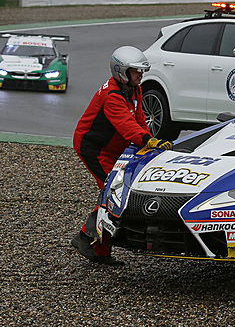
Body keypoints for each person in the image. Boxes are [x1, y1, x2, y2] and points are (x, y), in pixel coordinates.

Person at [70, 46, 174, 266]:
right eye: (136, 71)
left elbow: (138, 120)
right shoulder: (112, 95)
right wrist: (148, 141)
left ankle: (100, 250)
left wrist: (149, 139)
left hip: (113, 149)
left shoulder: (134, 89)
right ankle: (86, 238)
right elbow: (126, 126)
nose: (141, 75)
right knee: (113, 194)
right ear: (122, 71)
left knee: (116, 195)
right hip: (94, 149)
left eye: (141, 71)